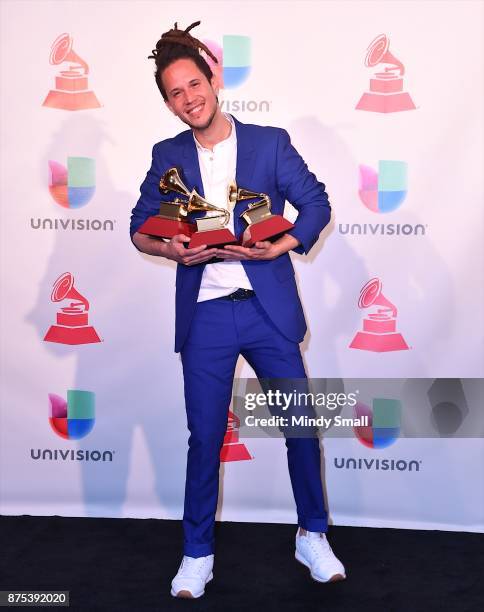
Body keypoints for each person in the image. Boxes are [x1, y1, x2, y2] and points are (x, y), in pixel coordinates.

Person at [130, 21, 346, 599]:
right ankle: (197, 552)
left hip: (266, 307)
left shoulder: (269, 142)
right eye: (176, 93)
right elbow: (138, 230)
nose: (189, 98)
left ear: (213, 79)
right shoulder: (166, 155)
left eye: (194, 84)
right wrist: (166, 246)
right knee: (205, 438)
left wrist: (285, 242)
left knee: (301, 427)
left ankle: (312, 535)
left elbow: (316, 202)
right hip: (205, 313)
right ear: (169, 103)